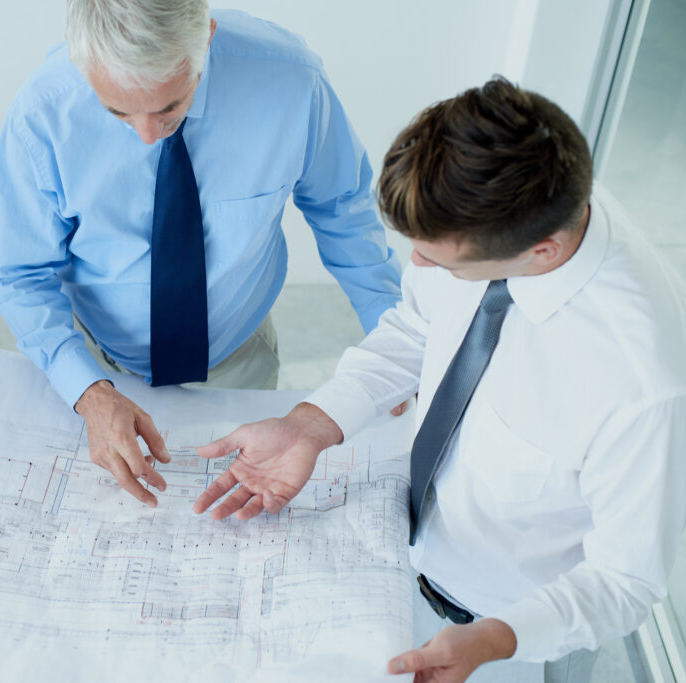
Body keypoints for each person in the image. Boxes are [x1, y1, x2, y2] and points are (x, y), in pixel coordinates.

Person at [192, 77, 686, 682]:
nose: (418, 266)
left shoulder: (640, 386)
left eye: (442, 261)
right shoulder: (511, 200)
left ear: (544, 253)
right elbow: (417, 327)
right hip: (399, 569)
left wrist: (490, 643)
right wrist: (310, 425)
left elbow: (626, 579)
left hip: (507, 641)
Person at [0, 0, 402, 508]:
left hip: (238, 355)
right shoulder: (43, 112)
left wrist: (396, 345)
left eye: (168, 108)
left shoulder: (292, 82)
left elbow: (341, 208)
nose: (146, 134)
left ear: (205, 39)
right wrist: (88, 390)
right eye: (117, 112)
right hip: (93, 357)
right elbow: (21, 275)